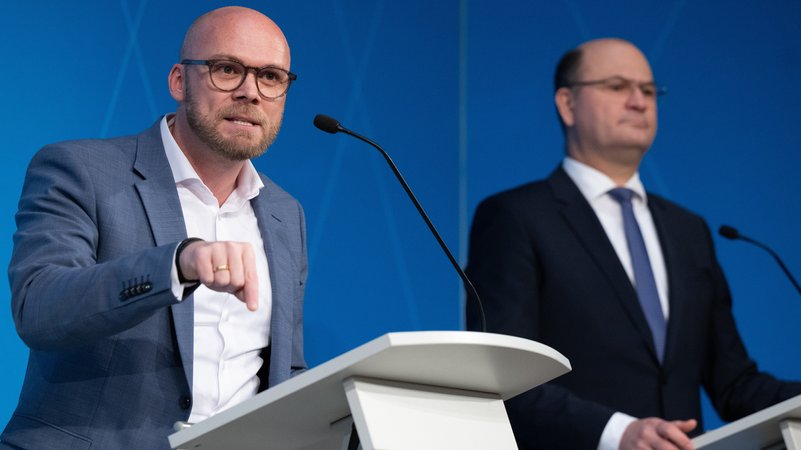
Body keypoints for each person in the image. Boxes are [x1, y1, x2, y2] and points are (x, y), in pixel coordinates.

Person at [466, 38, 801, 450]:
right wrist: (618, 432)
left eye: (648, 90)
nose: (639, 102)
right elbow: (506, 380)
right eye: (617, 86)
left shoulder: (688, 230)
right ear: (568, 104)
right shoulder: (516, 217)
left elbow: (734, 385)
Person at [1, 7, 307, 449]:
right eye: (226, 69)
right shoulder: (81, 170)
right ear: (179, 81)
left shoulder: (285, 213)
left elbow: (284, 370)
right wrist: (177, 265)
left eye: (271, 77)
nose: (250, 92)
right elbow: (40, 307)